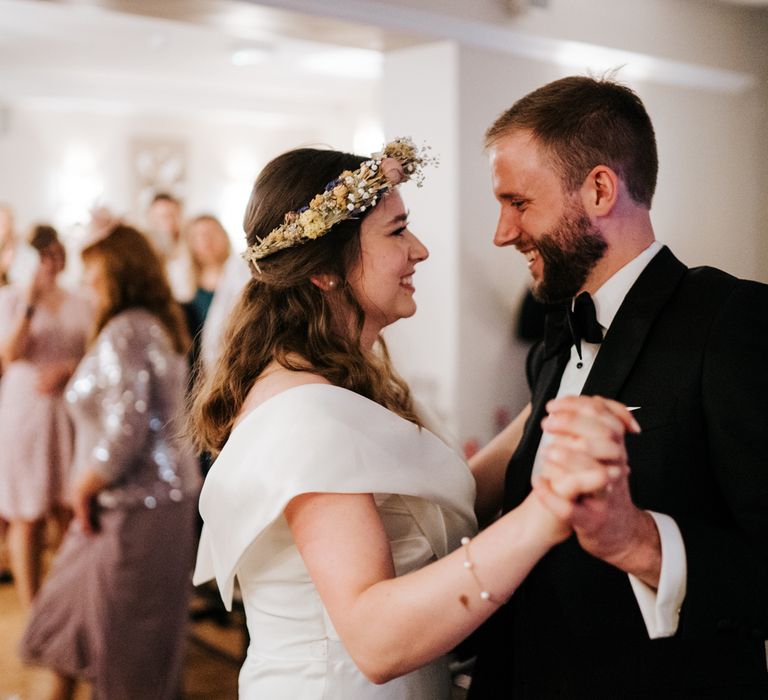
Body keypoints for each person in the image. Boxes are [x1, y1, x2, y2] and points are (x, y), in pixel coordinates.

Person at [190, 138, 626, 699]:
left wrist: (554, 401)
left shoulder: (345, 380)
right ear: (325, 268)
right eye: (397, 231)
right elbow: (376, 641)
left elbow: (442, 495)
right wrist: (544, 515)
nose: (418, 250)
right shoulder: (304, 416)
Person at [466, 76, 768, 698]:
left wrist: (640, 540)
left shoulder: (733, 322)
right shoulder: (558, 334)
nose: (502, 232)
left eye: (518, 202)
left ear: (600, 188)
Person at [19, 224, 202, 700]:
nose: (87, 281)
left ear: (118, 271)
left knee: (127, 642)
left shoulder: (127, 330)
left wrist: (83, 486)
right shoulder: (147, 326)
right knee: (70, 618)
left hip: (134, 500)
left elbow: (128, 425)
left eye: (94, 270)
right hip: (139, 496)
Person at [0, 224, 91, 608]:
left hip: (70, 408)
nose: (52, 262)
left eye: (57, 254)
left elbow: (93, 351)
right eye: (43, 255)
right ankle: (32, 605)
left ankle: (67, 599)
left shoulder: (80, 300)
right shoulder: (9, 298)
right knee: (28, 510)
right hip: (26, 409)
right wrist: (30, 304)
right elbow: (10, 354)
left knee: (68, 510)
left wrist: (69, 368)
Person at [146, 191, 195, 301]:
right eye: (161, 217)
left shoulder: (193, 242)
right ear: (151, 218)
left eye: (171, 215)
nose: (167, 221)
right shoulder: (146, 249)